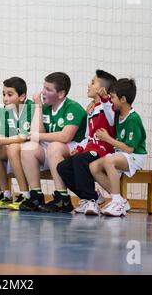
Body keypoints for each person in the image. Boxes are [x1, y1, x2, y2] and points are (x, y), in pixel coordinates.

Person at [20, 72, 87, 212]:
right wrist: (38, 106)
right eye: (43, 87)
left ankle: (63, 198)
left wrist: (38, 136)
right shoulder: (45, 107)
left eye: (48, 89)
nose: (43, 92)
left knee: (55, 146)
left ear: (61, 94)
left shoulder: (73, 108)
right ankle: (36, 195)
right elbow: (35, 135)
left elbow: (65, 137)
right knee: (28, 147)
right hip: (52, 149)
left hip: (75, 151)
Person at [56, 70, 117, 215]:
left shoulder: (110, 108)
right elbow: (87, 137)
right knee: (63, 167)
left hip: (104, 151)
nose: (89, 84)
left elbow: (111, 118)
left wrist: (105, 99)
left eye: (93, 82)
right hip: (90, 149)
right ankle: (92, 197)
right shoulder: (91, 110)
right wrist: (79, 147)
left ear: (102, 89)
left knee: (79, 160)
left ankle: (91, 200)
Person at [90, 78, 147, 216]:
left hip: (135, 156)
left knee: (110, 160)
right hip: (121, 154)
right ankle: (120, 200)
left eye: (113, 97)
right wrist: (93, 102)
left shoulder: (133, 119)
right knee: (93, 166)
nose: (111, 100)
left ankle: (116, 202)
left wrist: (107, 139)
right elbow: (106, 107)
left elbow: (129, 149)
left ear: (123, 99)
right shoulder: (117, 113)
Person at [0, 77, 34, 209]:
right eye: (4, 94)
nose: (5, 98)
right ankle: (6, 195)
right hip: (15, 147)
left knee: (12, 147)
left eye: (10, 95)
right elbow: (1, 134)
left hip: (32, 148)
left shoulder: (30, 107)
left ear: (22, 96)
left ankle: (25, 195)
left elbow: (23, 137)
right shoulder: (5, 110)